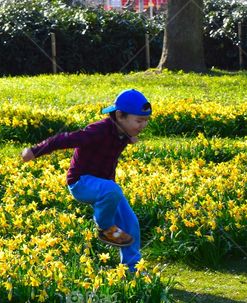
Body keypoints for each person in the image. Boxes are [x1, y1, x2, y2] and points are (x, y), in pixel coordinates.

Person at [21, 89, 151, 272]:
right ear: (120, 115)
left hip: (104, 186)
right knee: (112, 190)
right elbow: (64, 139)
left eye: (145, 120)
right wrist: (35, 151)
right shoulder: (97, 131)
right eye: (139, 120)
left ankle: (132, 268)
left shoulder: (123, 131)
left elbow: (119, 137)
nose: (143, 125)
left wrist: (129, 137)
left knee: (130, 222)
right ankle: (105, 227)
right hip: (81, 183)